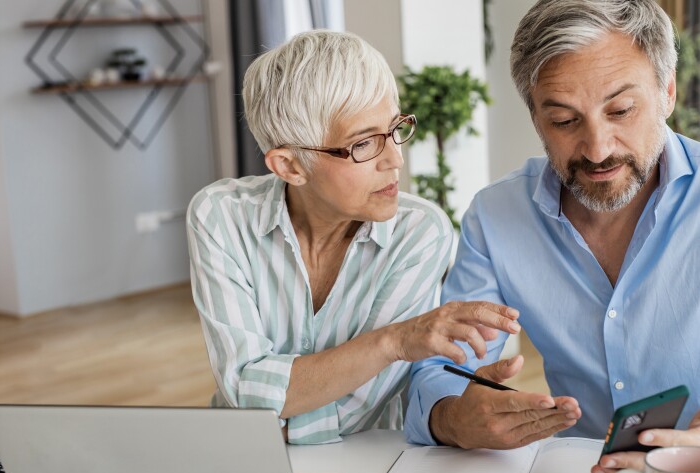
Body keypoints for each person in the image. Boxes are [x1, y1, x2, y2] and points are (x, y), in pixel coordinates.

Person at [405, 0, 700, 473]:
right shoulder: (498, 217)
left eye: (621, 110)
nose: (598, 149)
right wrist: (454, 417)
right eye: (564, 121)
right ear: (535, 115)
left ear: (666, 93)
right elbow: (440, 371)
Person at [186, 30, 519, 445]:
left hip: (368, 458)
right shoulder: (221, 216)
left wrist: (277, 419)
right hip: (243, 456)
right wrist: (395, 341)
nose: (395, 159)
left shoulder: (419, 233)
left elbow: (361, 403)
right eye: (363, 144)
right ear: (289, 166)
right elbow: (243, 390)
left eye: (395, 129)